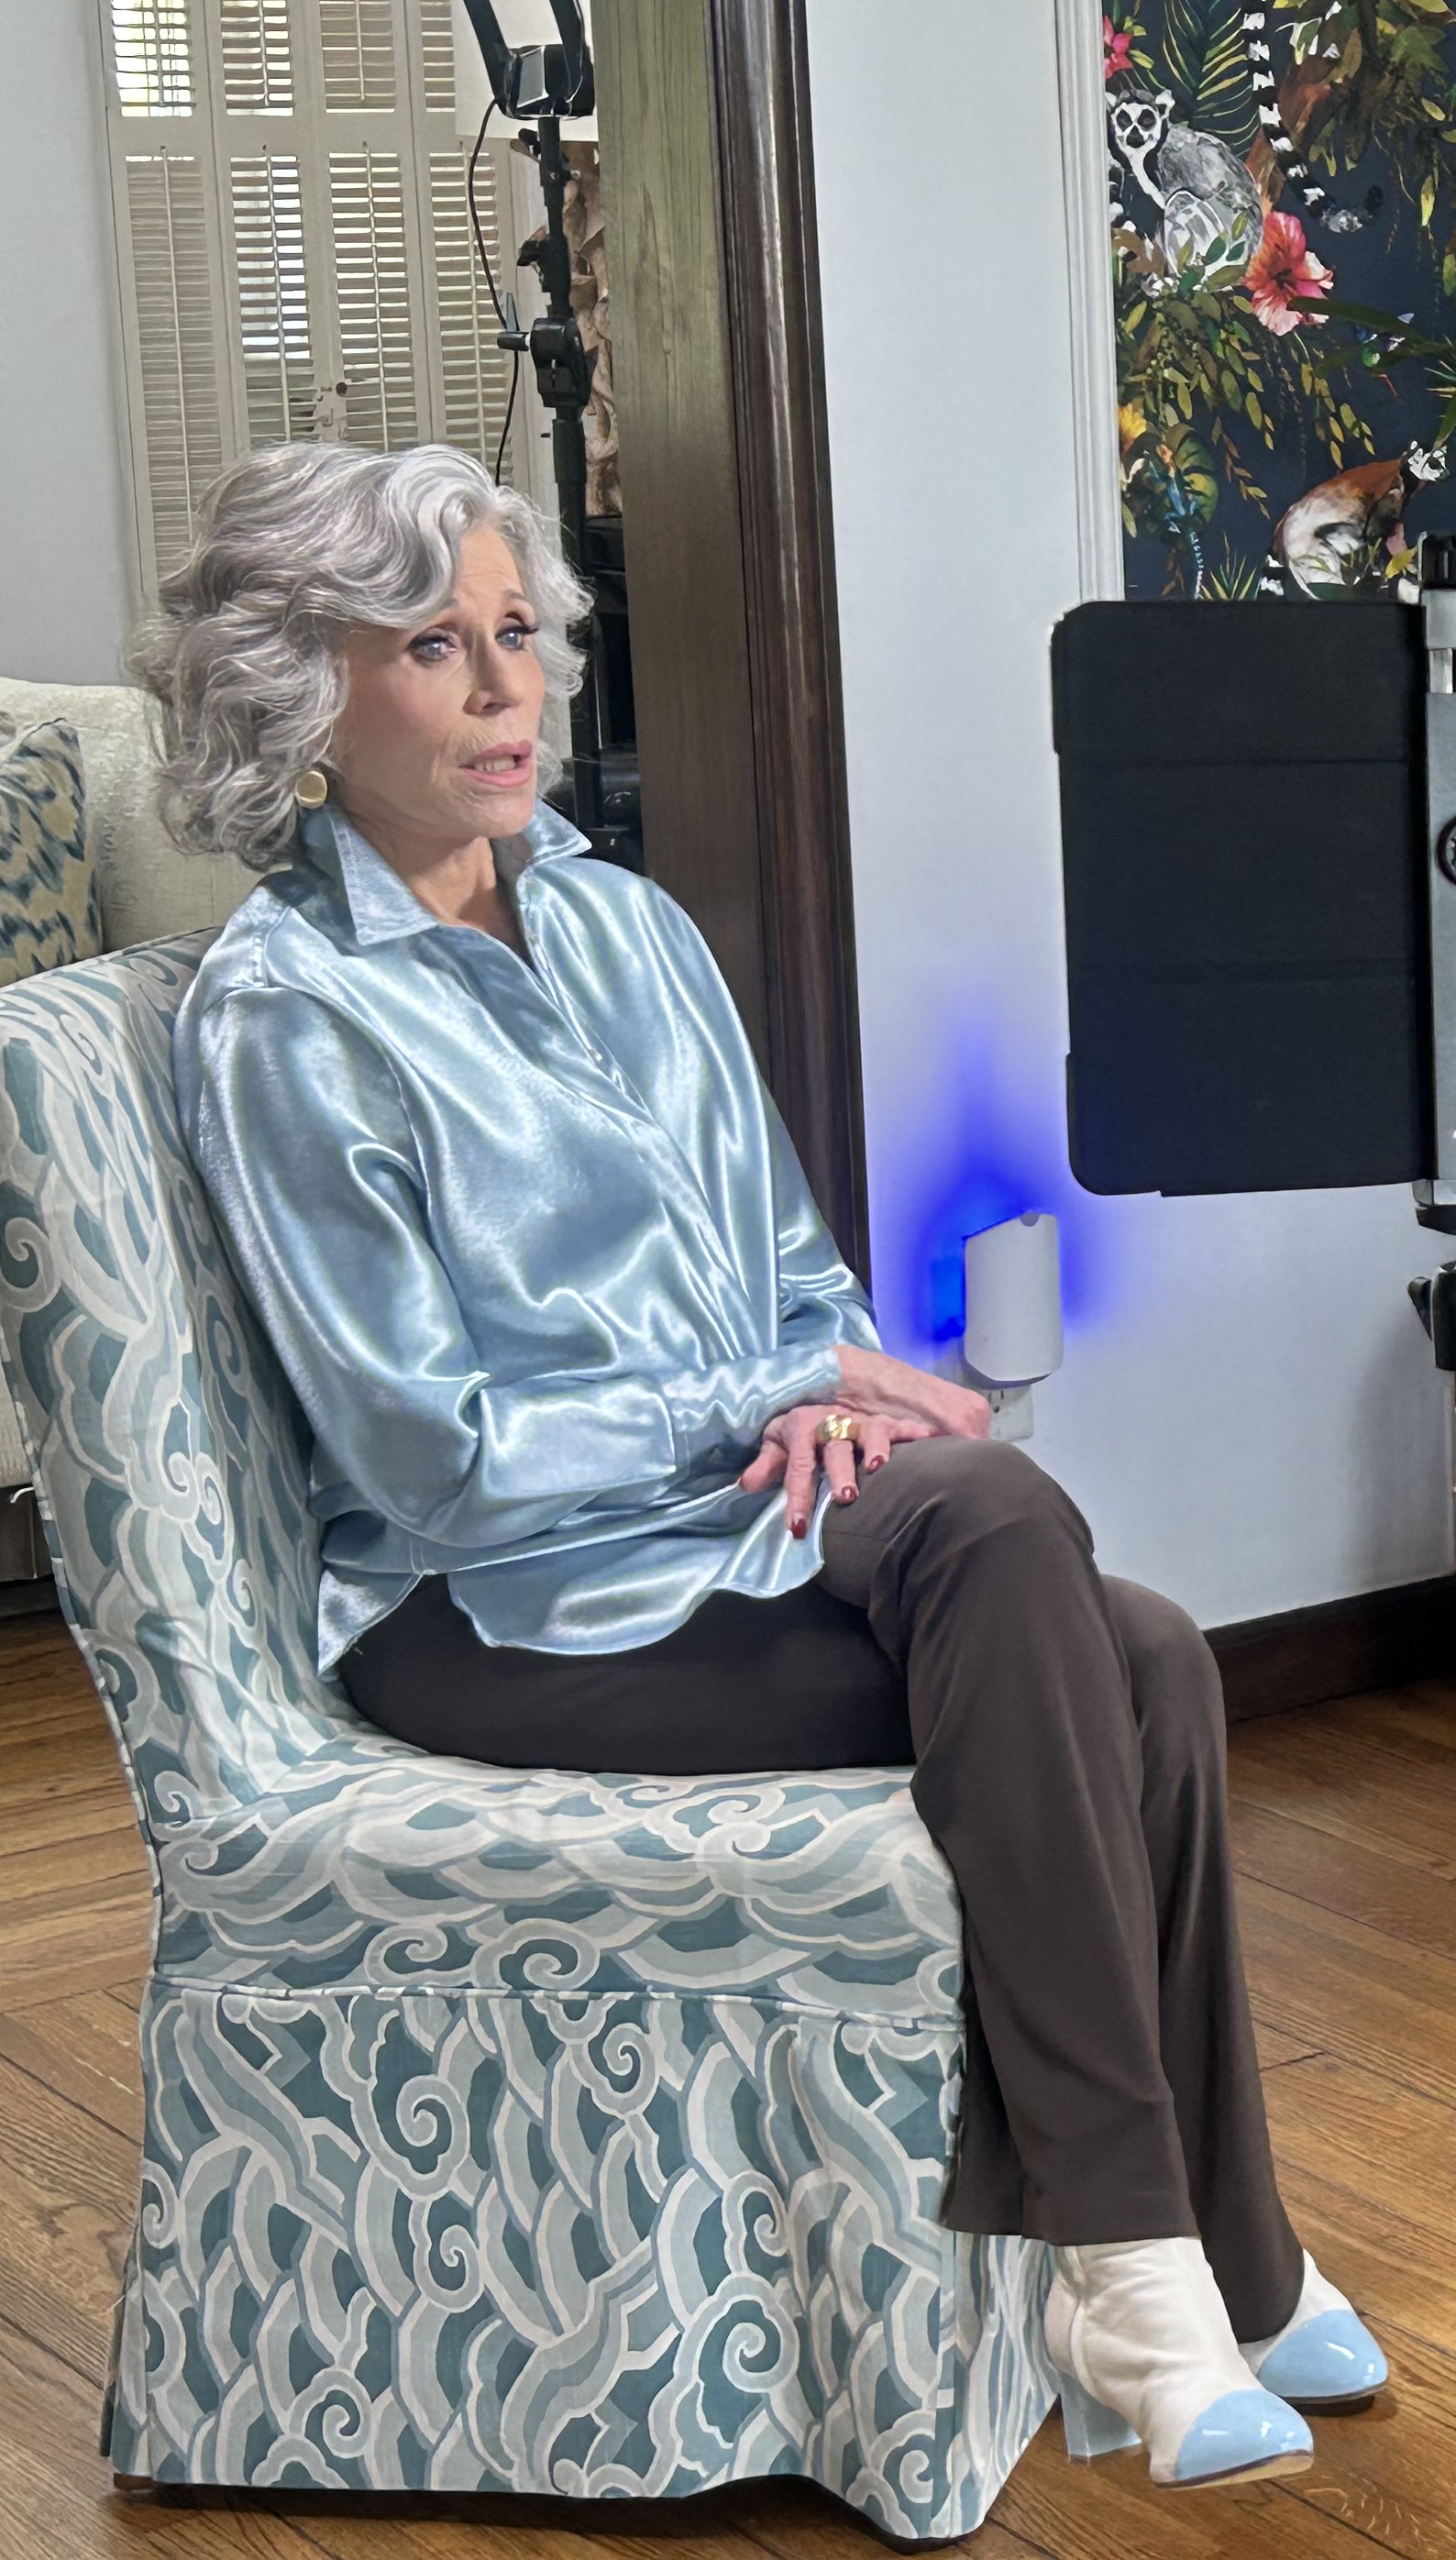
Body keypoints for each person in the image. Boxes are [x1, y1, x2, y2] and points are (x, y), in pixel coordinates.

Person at [145, 440, 1365, 2495]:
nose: (508, 690)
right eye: (434, 647)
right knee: (1031, 1551)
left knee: (1141, 1649)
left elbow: (795, 1280)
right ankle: (1150, 2265)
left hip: (732, 1534)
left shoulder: (632, 932)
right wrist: (751, 1403)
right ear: (302, 697)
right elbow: (426, 1461)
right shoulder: (290, 1017)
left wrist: (824, 1392)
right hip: (490, 1611)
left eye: (519, 633)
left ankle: (1186, 2268)